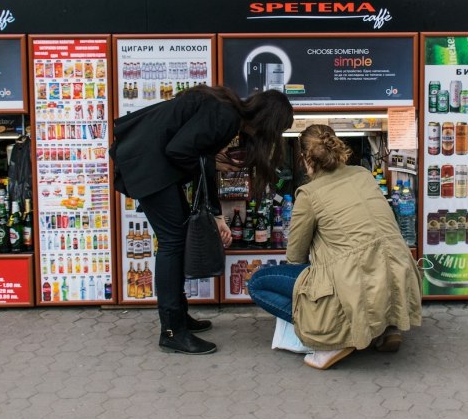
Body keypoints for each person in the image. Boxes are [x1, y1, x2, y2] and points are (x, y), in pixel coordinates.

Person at [111, 85, 293, 355]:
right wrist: (214, 166)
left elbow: (193, 154)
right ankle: (172, 331)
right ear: (268, 123)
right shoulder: (225, 116)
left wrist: (217, 211)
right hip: (149, 168)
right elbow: (180, 151)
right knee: (172, 243)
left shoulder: (226, 110)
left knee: (177, 239)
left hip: (151, 166)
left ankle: (179, 318)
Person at [247, 124, 423, 370]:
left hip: (356, 279)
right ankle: (387, 327)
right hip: (397, 272)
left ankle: (334, 337)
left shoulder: (308, 194)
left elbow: (295, 257)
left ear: (304, 159)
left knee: (258, 283)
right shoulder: (362, 174)